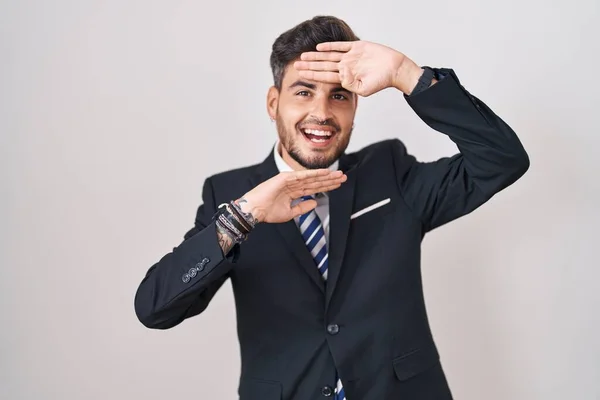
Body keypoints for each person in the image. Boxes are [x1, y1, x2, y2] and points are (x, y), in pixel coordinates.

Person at [134, 15, 529, 400]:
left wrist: (407, 74)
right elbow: (155, 308)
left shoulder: (389, 171)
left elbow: (503, 160)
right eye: (303, 92)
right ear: (274, 103)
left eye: (338, 95)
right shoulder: (231, 193)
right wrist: (241, 217)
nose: (322, 113)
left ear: (355, 107)